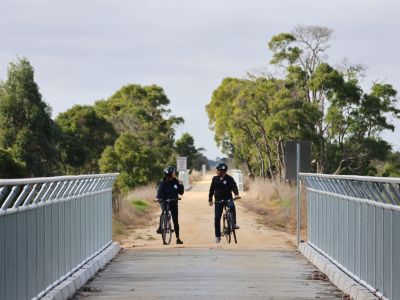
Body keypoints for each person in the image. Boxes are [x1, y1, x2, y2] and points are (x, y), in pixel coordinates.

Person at [208, 162, 240, 243]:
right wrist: (210, 199)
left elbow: (234, 187)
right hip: (218, 200)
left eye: (218, 170)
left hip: (228, 198)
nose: (217, 171)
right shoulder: (215, 179)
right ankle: (218, 236)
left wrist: (236, 194)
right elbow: (211, 189)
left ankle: (234, 223)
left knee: (232, 206)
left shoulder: (229, 178)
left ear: (223, 171)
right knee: (217, 218)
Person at [156, 166, 184, 245]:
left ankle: (178, 238)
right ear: (170, 174)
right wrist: (157, 198)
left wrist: (181, 184)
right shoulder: (163, 182)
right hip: (164, 201)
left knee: (175, 220)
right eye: (174, 172)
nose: (175, 173)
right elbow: (159, 191)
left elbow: (181, 192)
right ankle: (161, 228)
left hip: (173, 202)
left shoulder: (176, 182)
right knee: (164, 212)